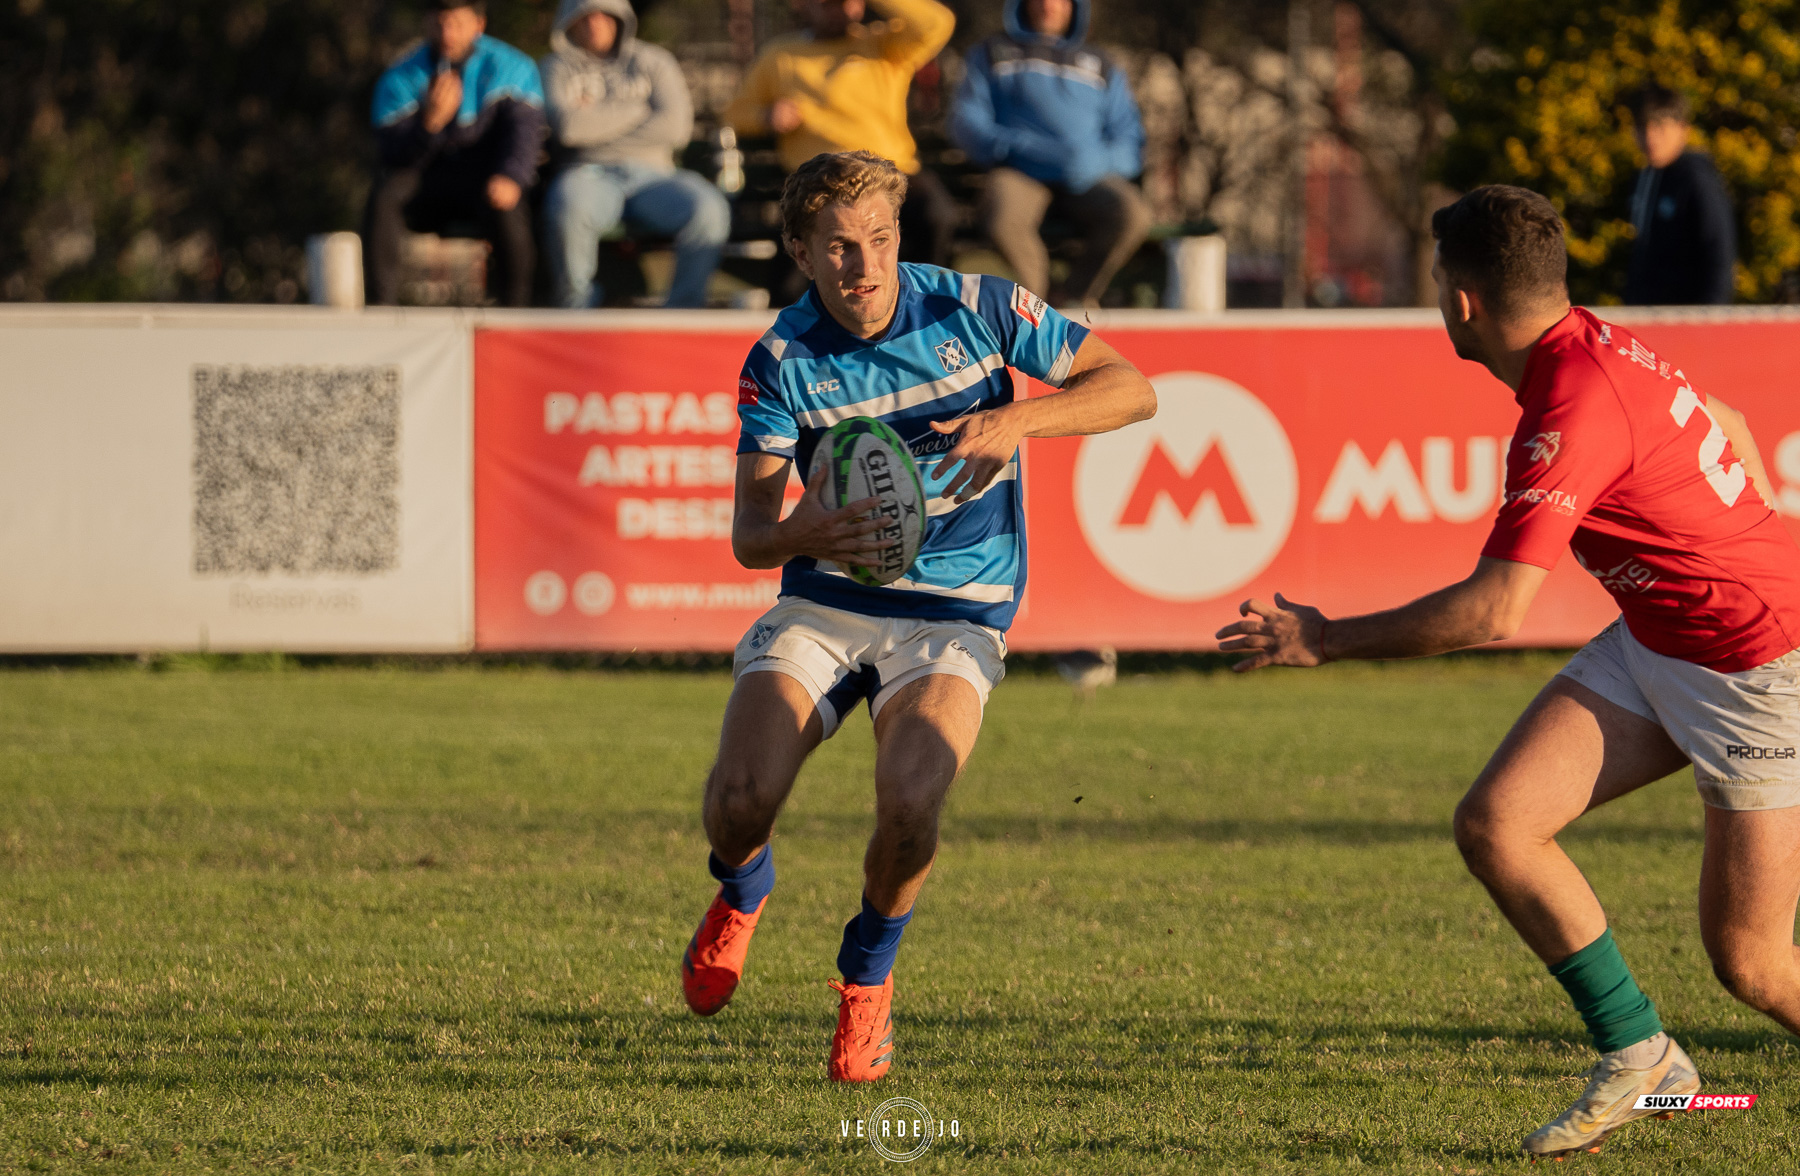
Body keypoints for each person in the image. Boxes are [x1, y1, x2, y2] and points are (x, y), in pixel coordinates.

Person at [1218, 185, 1800, 1160]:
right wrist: (1738, 531)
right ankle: (1642, 1055)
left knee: (1750, 962)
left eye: (1438, 279)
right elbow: (1733, 421)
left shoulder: (1570, 403)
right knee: (1498, 824)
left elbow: (1495, 610)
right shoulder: (1588, 343)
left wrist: (1325, 640)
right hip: (1666, 636)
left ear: (1461, 302)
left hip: (1754, 662)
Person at [680, 150, 1155, 1081]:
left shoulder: (976, 309)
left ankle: (866, 981)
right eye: (841, 250)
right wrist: (803, 529)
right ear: (800, 251)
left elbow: (1131, 389)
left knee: (909, 802)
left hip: (955, 610)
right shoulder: (781, 357)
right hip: (826, 599)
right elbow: (749, 536)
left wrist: (1018, 421)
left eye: (881, 241)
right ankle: (744, 889)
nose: (866, 268)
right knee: (738, 805)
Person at [725, 0, 958, 270]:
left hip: (891, 176)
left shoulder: (884, 44)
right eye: (828, 4)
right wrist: (765, 117)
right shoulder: (781, 55)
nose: (840, 10)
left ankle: (923, 300)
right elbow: (734, 113)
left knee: (938, 215)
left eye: (848, 2)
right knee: (797, 269)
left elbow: (936, 23)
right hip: (819, 180)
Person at [950, 0, 1149, 307]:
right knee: (1003, 218)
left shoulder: (1102, 64)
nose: (1048, 5)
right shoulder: (991, 53)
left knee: (1132, 215)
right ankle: (1041, 306)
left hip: (1087, 178)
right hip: (1020, 172)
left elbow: (1129, 137)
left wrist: (1097, 160)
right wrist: (1016, 147)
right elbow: (966, 120)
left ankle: (1074, 296)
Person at [539, 0, 731, 308]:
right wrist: (640, 110)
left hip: (656, 176)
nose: (595, 23)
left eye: (604, 15)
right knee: (567, 205)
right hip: (589, 173)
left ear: (619, 18)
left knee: (709, 209)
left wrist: (596, 122)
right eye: (584, 17)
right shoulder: (555, 67)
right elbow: (569, 128)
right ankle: (574, 308)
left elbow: (675, 128)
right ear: (569, 22)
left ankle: (683, 309)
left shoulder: (654, 61)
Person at [364, 0, 545, 307]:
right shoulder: (401, 76)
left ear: (479, 24)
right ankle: (381, 308)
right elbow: (392, 153)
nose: (447, 33)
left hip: (486, 179)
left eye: (457, 23)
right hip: (427, 179)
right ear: (427, 23)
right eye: (439, 23)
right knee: (384, 196)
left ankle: (517, 313)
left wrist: (511, 176)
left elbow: (524, 134)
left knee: (512, 209)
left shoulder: (513, 68)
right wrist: (430, 124)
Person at [1623, 84, 1736, 306]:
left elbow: (1719, 252)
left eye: (1660, 128)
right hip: (1647, 315)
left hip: (1685, 319)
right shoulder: (1645, 177)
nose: (1650, 138)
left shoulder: (1697, 178)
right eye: (1642, 127)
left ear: (1683, 128)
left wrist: (1710, 318)